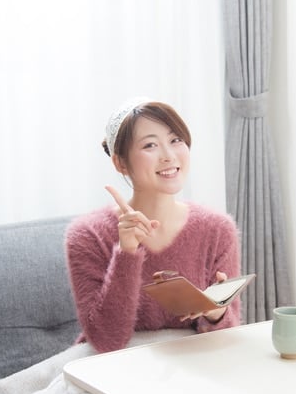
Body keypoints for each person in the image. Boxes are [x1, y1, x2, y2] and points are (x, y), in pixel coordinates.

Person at [64, 97, 242, 353]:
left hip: (193, 363)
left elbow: (226, 342)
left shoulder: (217, 230)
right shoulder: (87, 235)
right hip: (115, 367)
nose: (169, 156)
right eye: (150, 145)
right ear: (120, 163)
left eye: (176, 140)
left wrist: (216, 314)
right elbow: (106, 340)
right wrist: (126, 253)